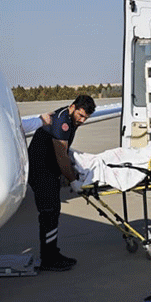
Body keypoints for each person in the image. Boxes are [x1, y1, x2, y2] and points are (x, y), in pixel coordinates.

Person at [27, 95, 95, 271]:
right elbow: (61, 155)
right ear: (73, 107)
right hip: (41, 170)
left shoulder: (70, 118)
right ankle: (48, 258)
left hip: (48, 169)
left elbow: (62, 153)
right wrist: (73, 180)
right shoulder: (62, 121)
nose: (82, 120)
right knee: (49, 212)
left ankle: (51, 253)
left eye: (86, 118)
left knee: (52, 212)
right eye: (80, 115)